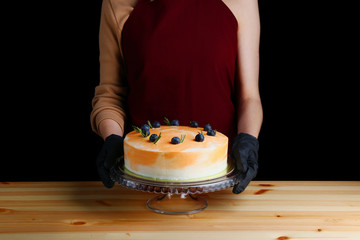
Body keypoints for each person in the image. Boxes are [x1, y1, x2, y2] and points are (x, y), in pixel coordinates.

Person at [90, 0, 263, 194]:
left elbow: (249, 97)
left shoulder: (242, 2)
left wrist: (248, 139)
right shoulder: (116, 3)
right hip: (141, 186)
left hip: (220, 186)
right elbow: (110, 95)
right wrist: (112, 137)